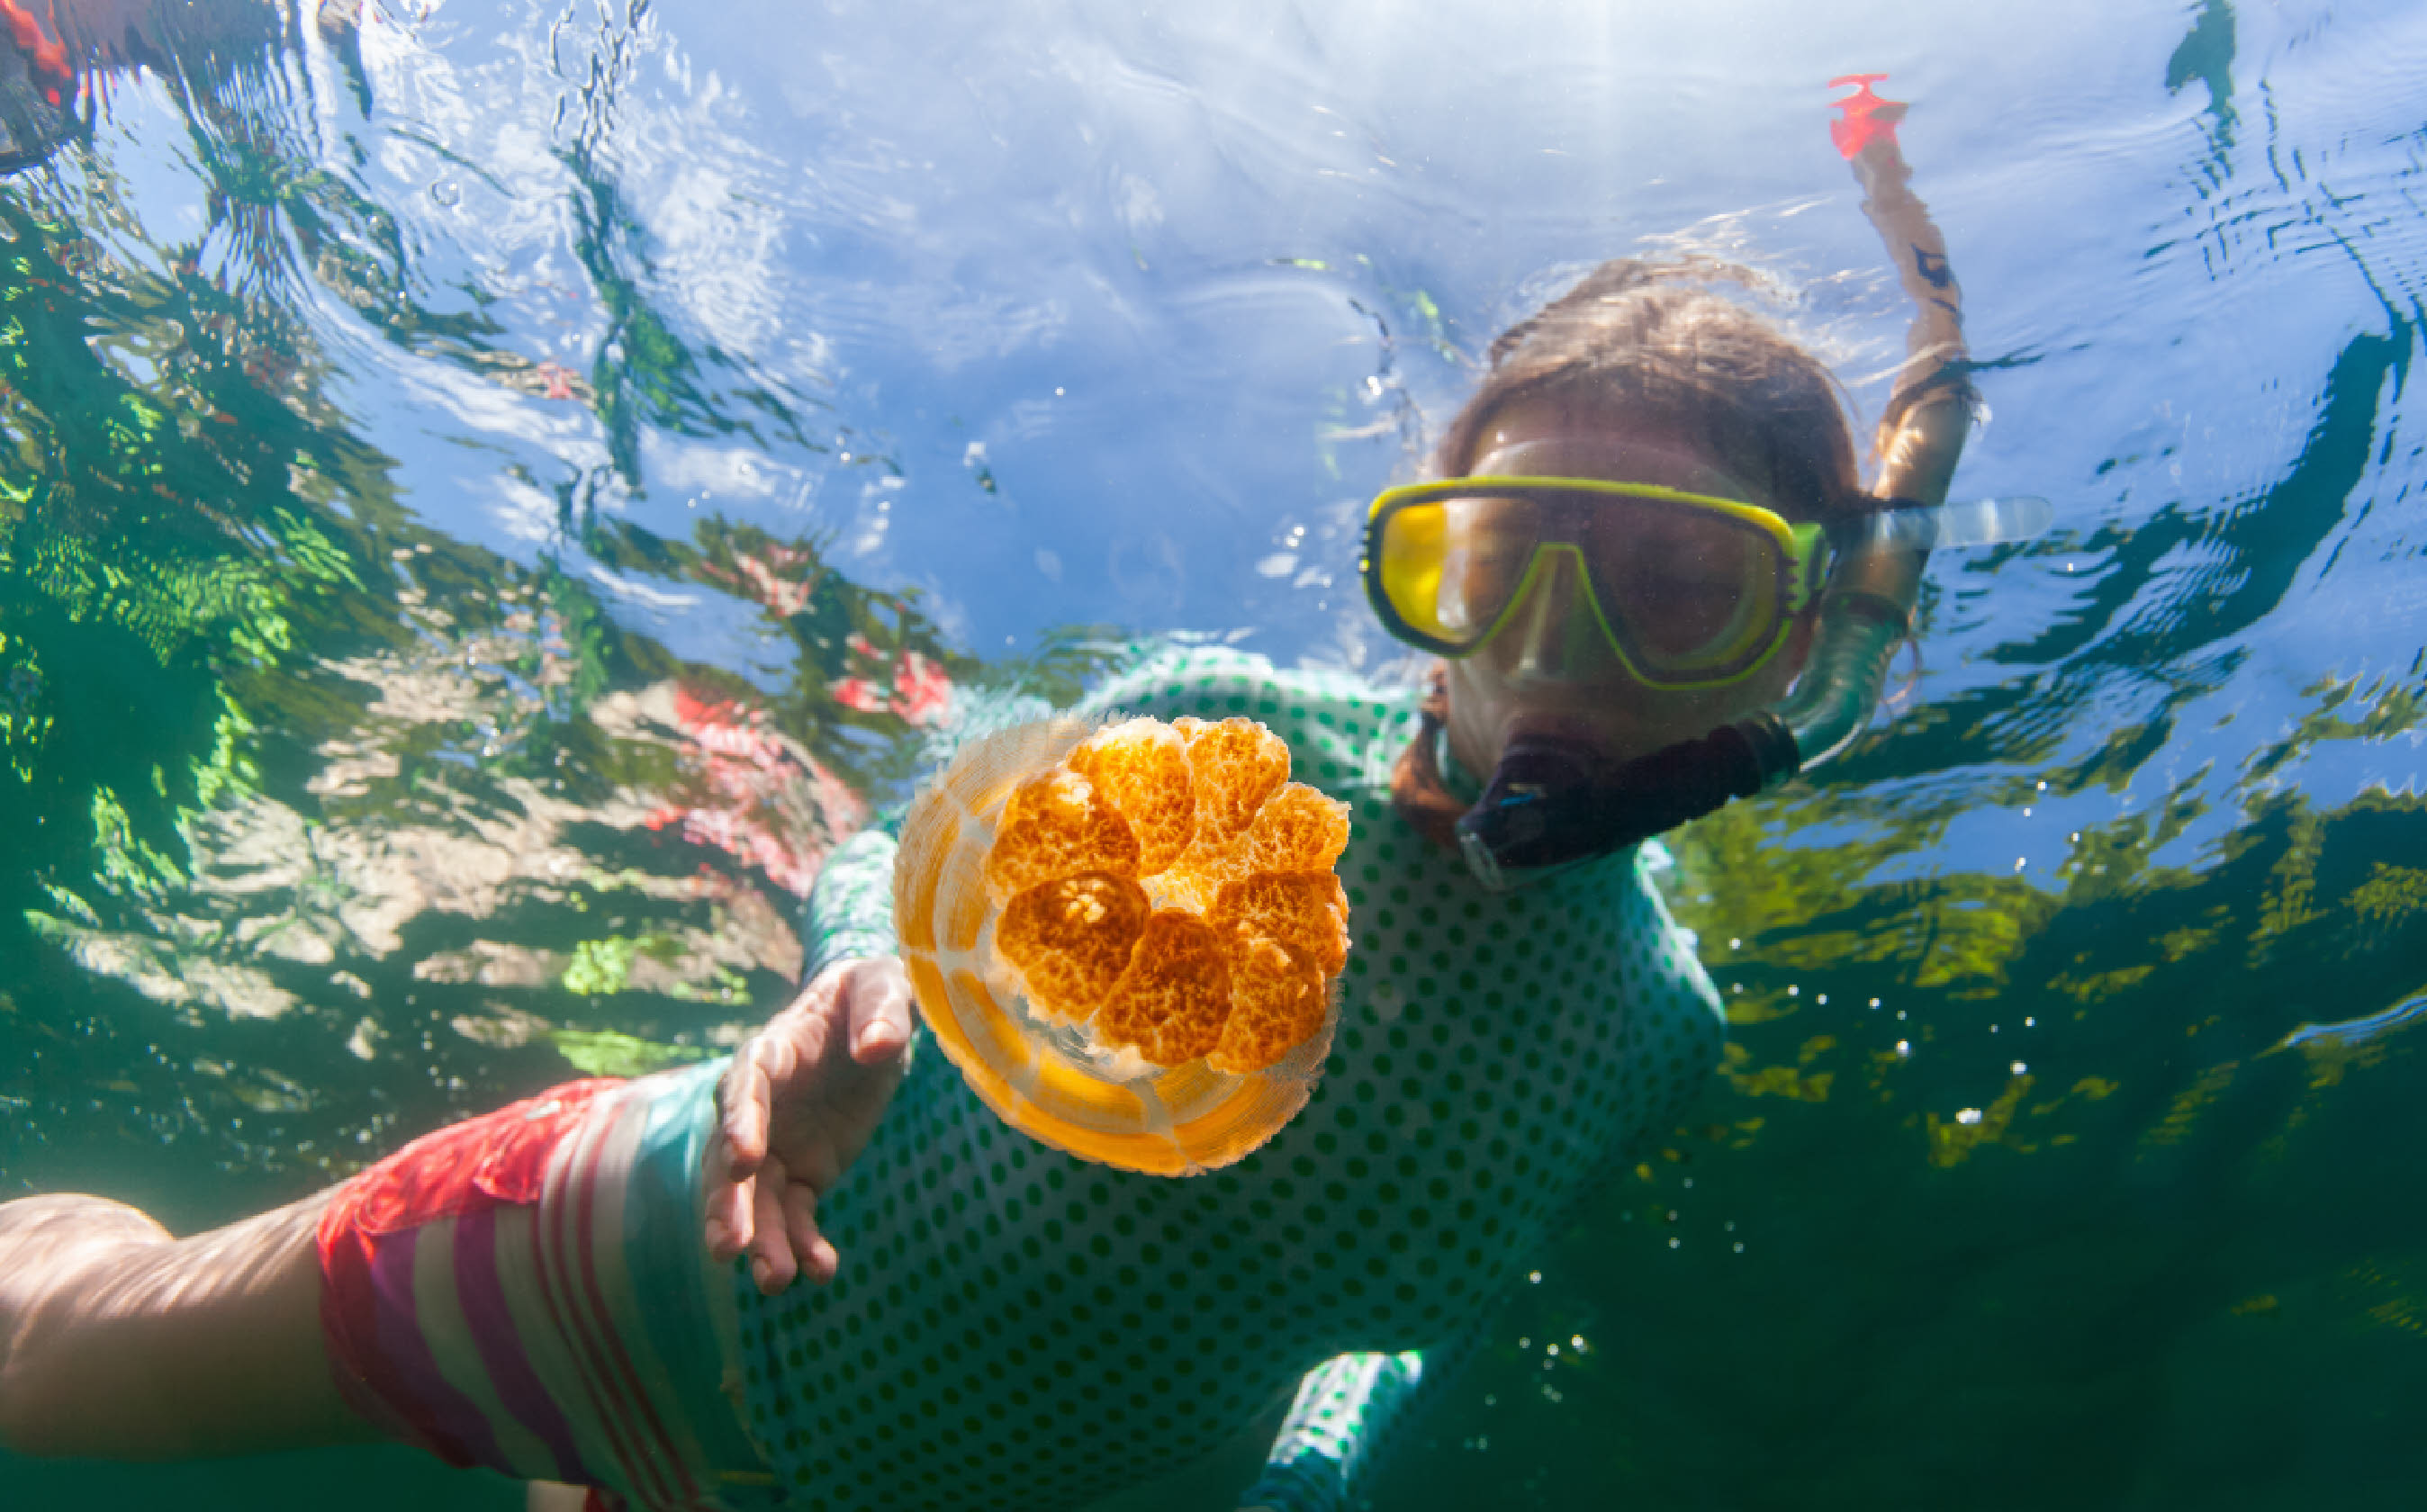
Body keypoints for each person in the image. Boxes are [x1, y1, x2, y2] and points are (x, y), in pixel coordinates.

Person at [0, 80, 1972, 1512]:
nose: (1553, 652)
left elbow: (1381, 1333)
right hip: (648, 1258)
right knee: (58, 1371)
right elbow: (899, 876)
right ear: (1418, 572)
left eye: (1678, 594)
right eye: (1492, 566)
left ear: (1793, 648)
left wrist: (1297, 1484)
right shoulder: (1235, 743)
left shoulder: (1647, 1033)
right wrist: (841, 998)